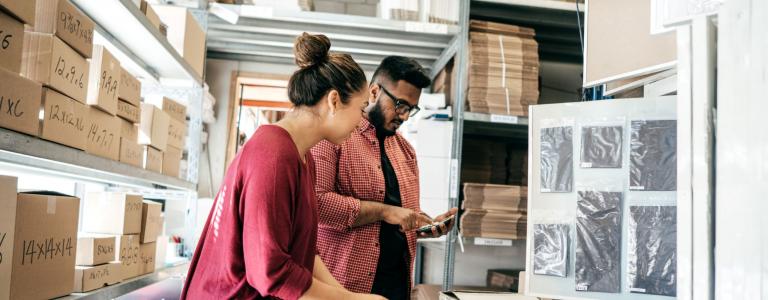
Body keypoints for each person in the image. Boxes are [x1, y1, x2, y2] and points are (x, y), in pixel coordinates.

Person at [181, 33, 385, 300]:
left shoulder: (302, 157)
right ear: (334, 101)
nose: (361, 122)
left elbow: (305, 253)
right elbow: (270, 272)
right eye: (360, 110)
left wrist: (347, 295)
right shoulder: (273, 156)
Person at [311, 56, 459, 300]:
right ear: (374, 91)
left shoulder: (406, 152)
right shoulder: (334, 138)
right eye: (400, 104)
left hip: (397, 287)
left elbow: (400, 220)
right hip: (344, 288)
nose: (405, 116)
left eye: (411, 109)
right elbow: (318, 205)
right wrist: (384, 211)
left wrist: (425, 226)